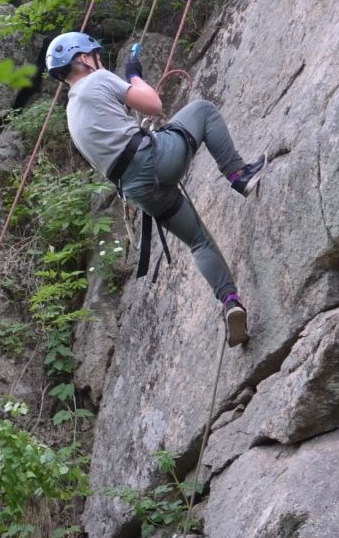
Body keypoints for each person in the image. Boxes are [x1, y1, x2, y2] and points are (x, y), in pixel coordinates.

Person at [47, 30, 266, 346]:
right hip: (154, 160)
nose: (99, 60)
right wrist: (133, 75)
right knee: (203, 110)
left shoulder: (71, 113)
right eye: (95, 55)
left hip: (138, 190)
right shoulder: (97, 79)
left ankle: (230, 301)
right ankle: (238, 175)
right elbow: (153, 105)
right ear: (83, 58)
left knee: (198, 242)